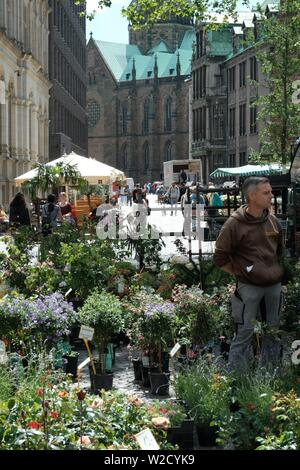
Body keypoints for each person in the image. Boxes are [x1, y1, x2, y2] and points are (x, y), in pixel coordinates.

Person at [213, 177, 284, 372]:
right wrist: (240, 273)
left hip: (273, 287)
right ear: (252, 196)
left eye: (270, 191)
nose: (271, 195)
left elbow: (279, 252)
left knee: (273, 330)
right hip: (248, 288)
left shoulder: (273, 221)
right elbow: (219, 258)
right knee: (244, 332)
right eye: (266, 192)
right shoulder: (234, 224)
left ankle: (271, 375)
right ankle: (236, 378)